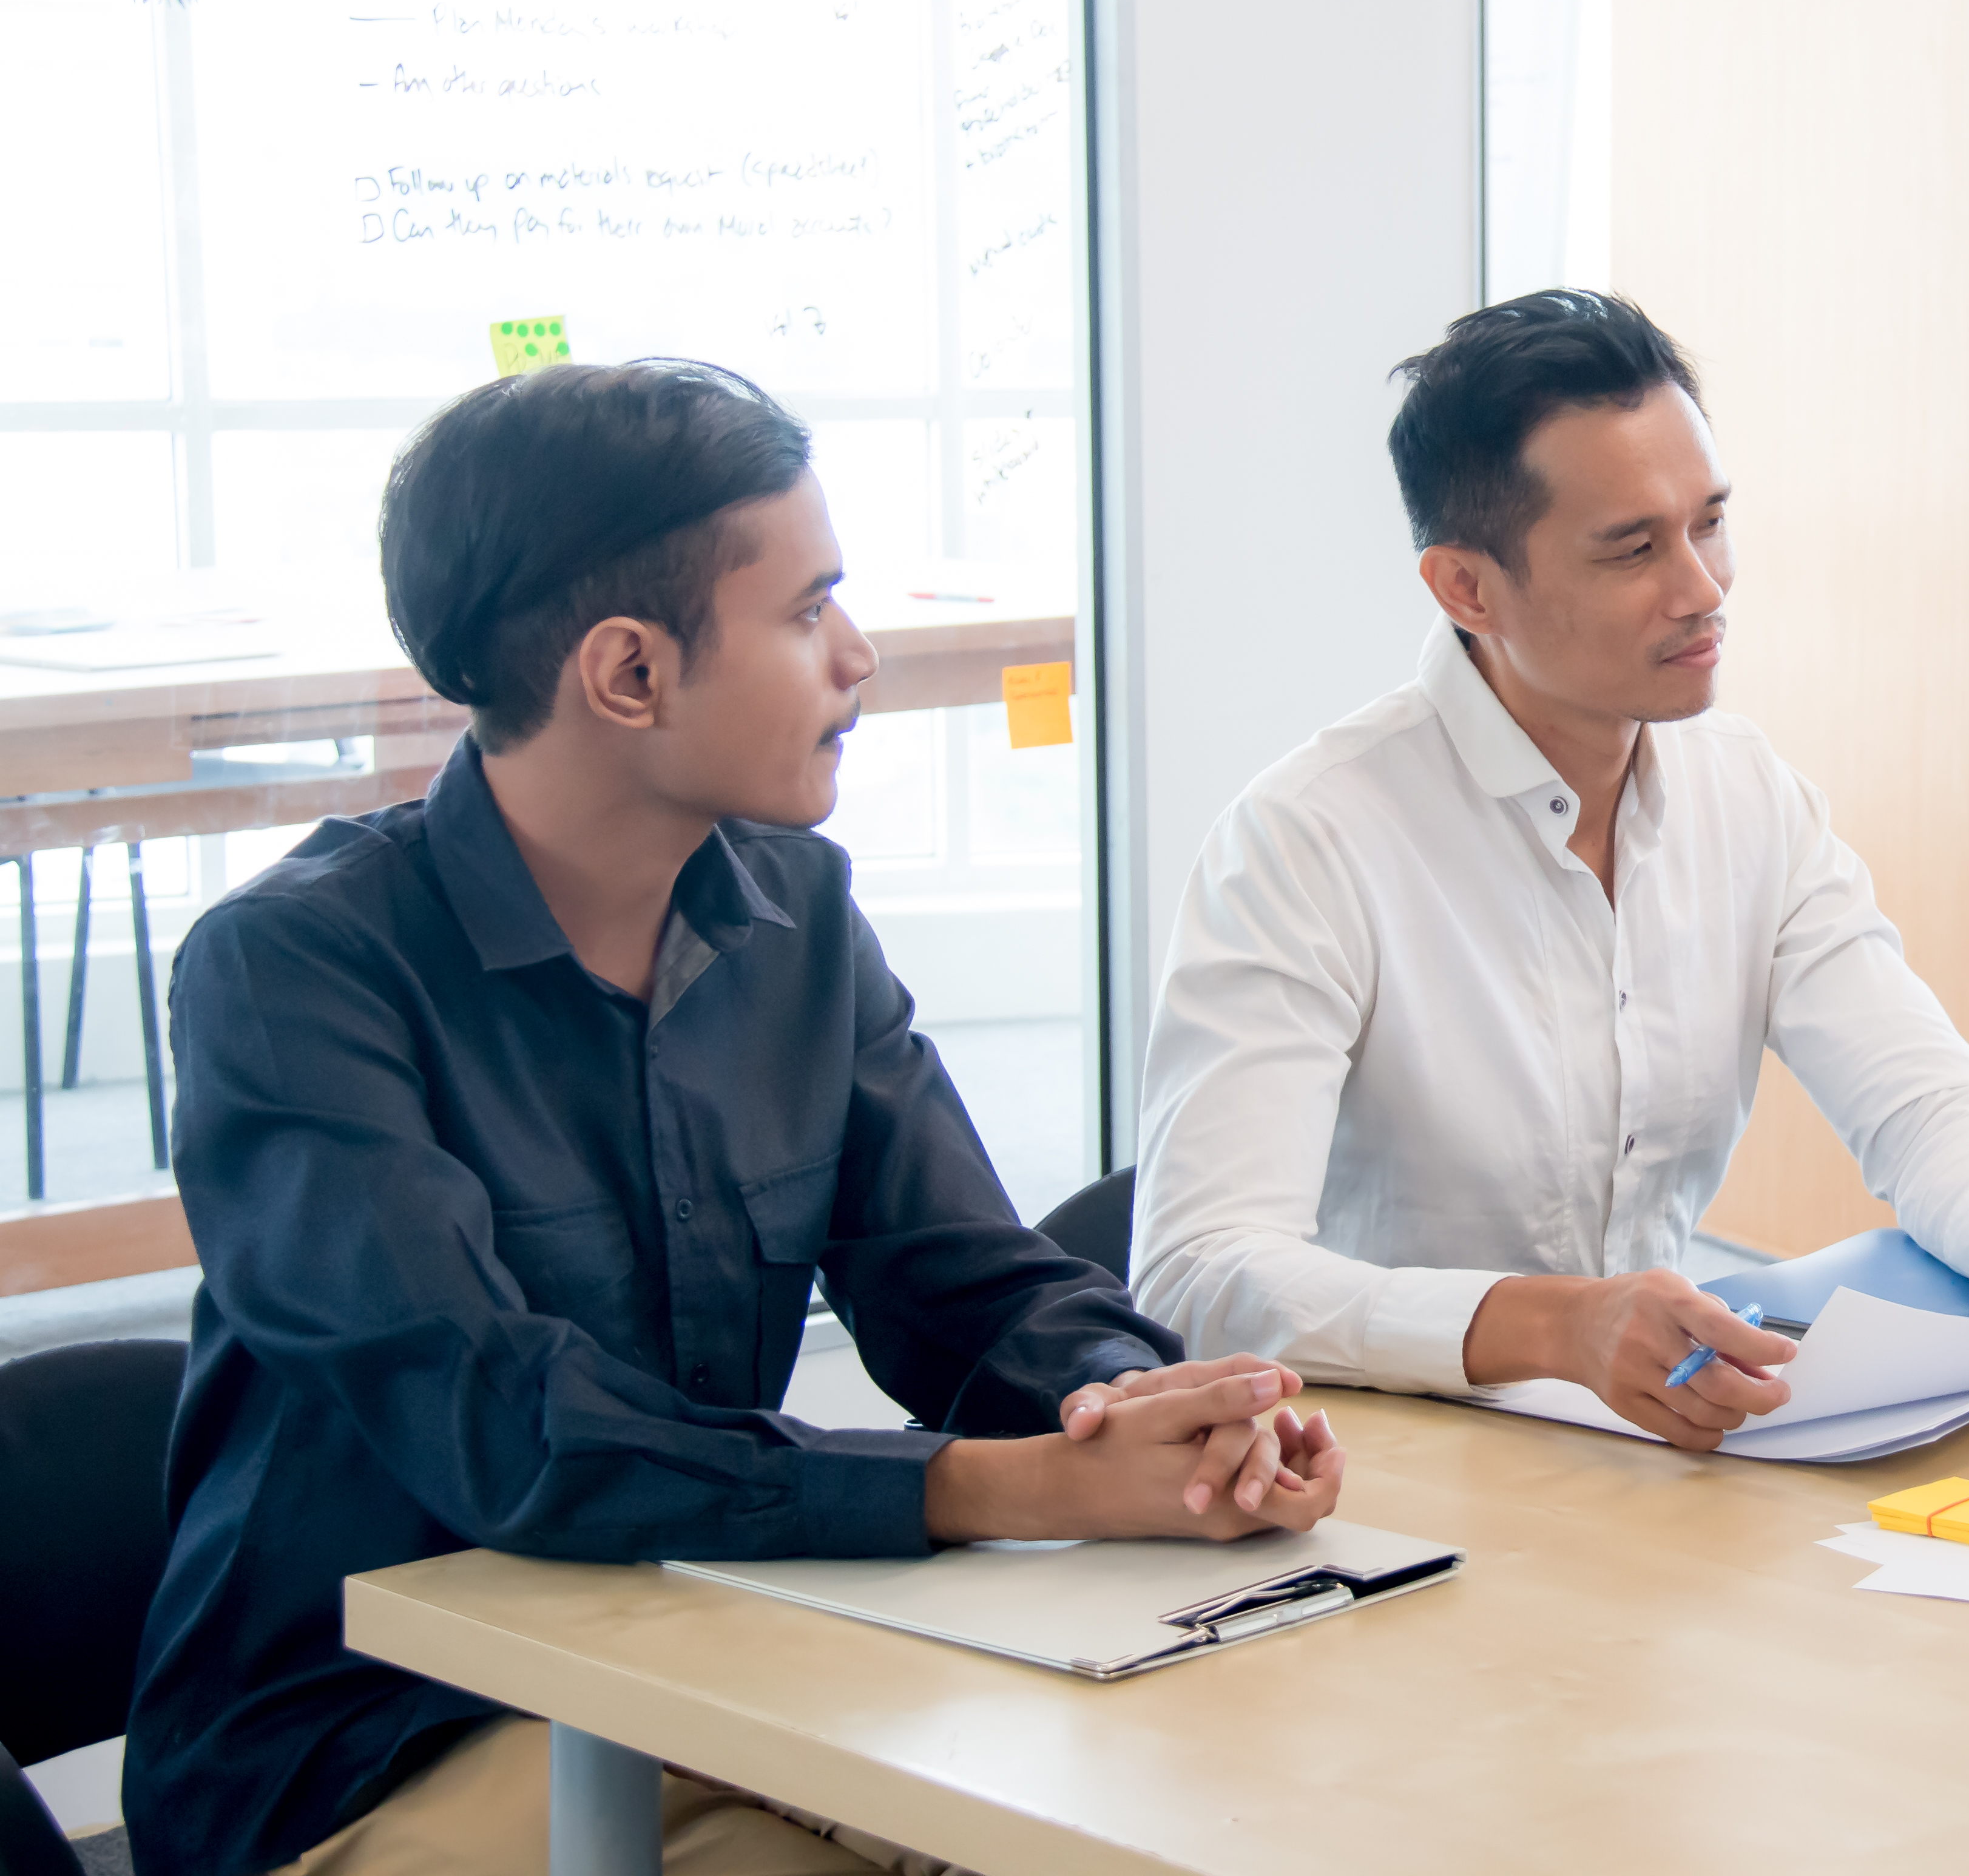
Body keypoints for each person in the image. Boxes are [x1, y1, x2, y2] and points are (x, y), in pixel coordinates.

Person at [126, 362, 1342, 1876]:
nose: (861, 655)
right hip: (372, 1745)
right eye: (807, 609)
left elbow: (961, 1281)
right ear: (629, 674)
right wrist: (991, 1484)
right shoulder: (294, 969)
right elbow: (506, 1426)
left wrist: (1151, 1409)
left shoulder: (799, 911)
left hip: (718, 1659)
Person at [1132, 291, 1969, 1446]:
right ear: (1467, 589)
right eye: (1634, 548)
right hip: (1383, 1473)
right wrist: (1545, 1327)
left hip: (1663, 1455)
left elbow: (1918, 1098)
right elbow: (1198, 1272)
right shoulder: (1307, 841)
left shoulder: (1747, 794)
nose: (1704, 589)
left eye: (1709, 523)